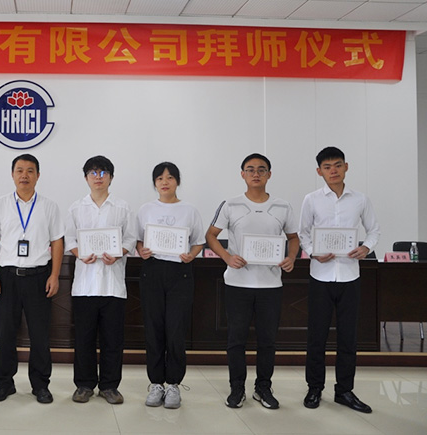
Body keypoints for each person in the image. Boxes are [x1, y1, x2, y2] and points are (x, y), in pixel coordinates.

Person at [205, 153, 299, 410]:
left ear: (269, 174)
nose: (256, 174)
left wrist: (291, 257)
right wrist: (227, 257)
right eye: (250, 169)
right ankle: (237, 388)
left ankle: (263, 388)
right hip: (238, 284)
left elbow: (293, 237)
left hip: (270, 285)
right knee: (236, 340)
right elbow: (211, 235)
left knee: (268, 341)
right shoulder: (230, 204)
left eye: (261, 169)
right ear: (242, 174)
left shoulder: (282, 206)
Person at [298, 147, 379, 414]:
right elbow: (303, 233)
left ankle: (344, 390)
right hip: (320, 276)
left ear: (346, 167)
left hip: (349, 275)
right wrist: (314, 252)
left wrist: (366, 247)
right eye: (327, 166)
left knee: (348, 337)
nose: (333, 170)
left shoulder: (361, 199)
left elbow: (374, 230)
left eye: (337, 165)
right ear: (319, 171)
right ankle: (314, 388)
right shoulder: (311, 199)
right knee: (316, 337)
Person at [0, 154, 64, 404]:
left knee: (40, 334)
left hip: (39, 277)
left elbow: (57, 242)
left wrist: (54, 275)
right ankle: (4, 383)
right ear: (12, 175)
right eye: (19, 170)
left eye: (30, 171)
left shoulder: (49, 206)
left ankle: (40, 385)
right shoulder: (0, 205)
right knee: (5, 333)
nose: (24, 175)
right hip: (7, 277)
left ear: (38, 175)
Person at [65, 156, 137, 405]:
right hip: (84, 285)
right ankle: (84, 385)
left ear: (111, 177)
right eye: (93, 172)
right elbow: (70, 240)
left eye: (103, 172)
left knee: (112, 340)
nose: (98, 177)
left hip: (113, 285)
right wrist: (80, 253)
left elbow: (130, 239)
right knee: (84, 338)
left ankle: (109, 386)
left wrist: (118, 253)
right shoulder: (76, 208)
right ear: (86, 178)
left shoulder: (123, 207)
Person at [136, 162, 204, 409]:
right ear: (155, 183)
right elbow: (138, 241)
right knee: (153, 329)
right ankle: (156, 384)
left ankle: (174, 384)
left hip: (180, 272)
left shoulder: (189, 210)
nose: (165, 182)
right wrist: (141, 251)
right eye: (160, 178)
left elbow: (198, 241)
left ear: (177, 181)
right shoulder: (145, 209)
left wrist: (192, 255)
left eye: (170, 178)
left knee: (176, 330)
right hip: (152, 271)